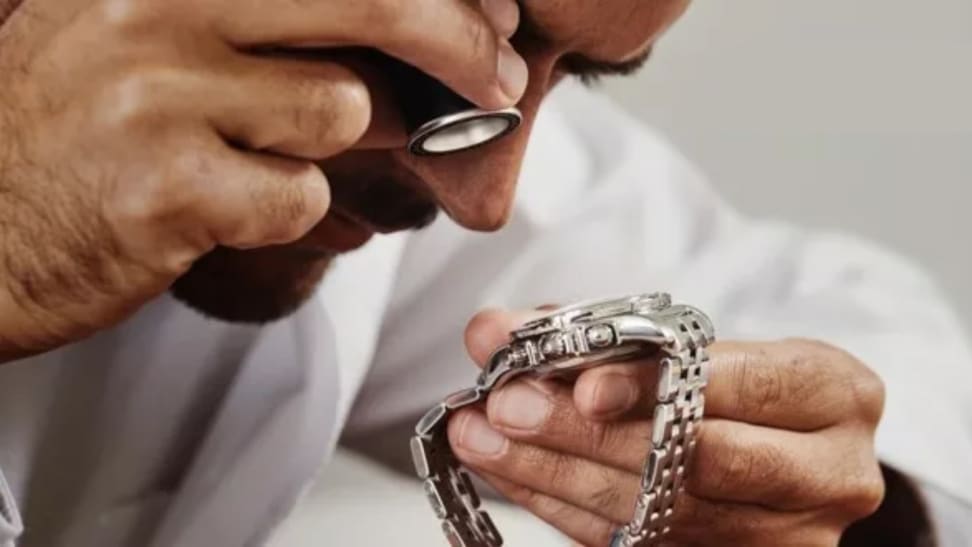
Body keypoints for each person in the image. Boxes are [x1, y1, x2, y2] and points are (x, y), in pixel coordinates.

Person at [0, 0, 969, 545]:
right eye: (423, 66)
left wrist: (794, 488)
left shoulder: (460, 147)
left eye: (574, 76)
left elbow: (837, 324)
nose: (482, 199)